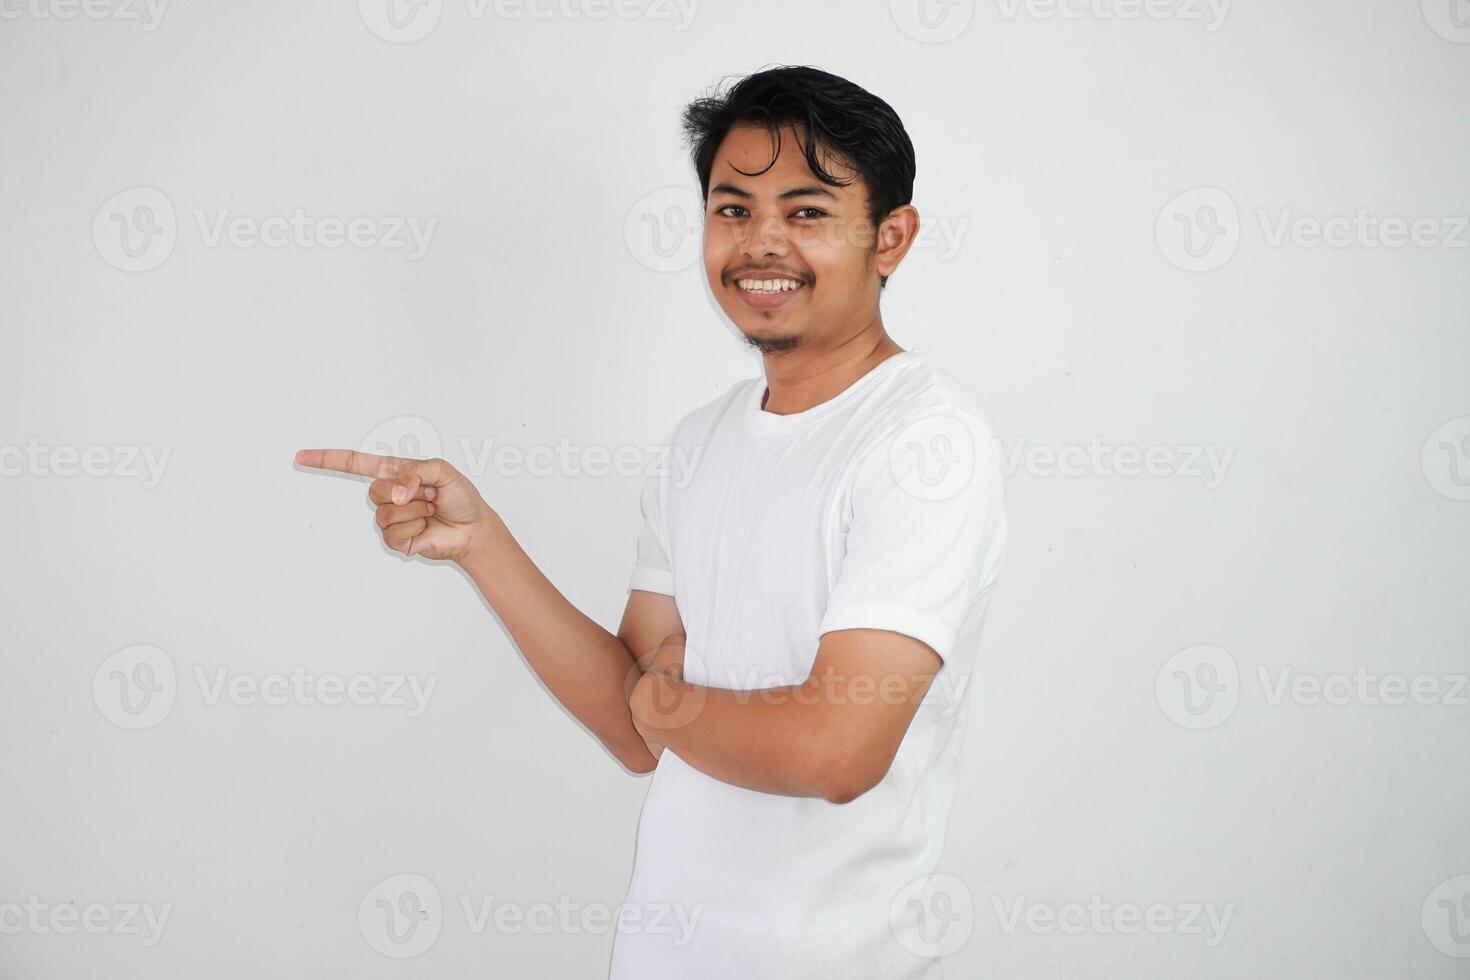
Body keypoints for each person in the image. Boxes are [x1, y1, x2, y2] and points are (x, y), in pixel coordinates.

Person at [296, 64, 1006, 979]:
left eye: (807, 212)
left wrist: (662, 698)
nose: (761, 244)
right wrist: (482, 543)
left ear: (891, 239)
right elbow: (635, 731)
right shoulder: (700, 442)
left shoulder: (926, 442)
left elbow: (838, 749)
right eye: (734, 209)